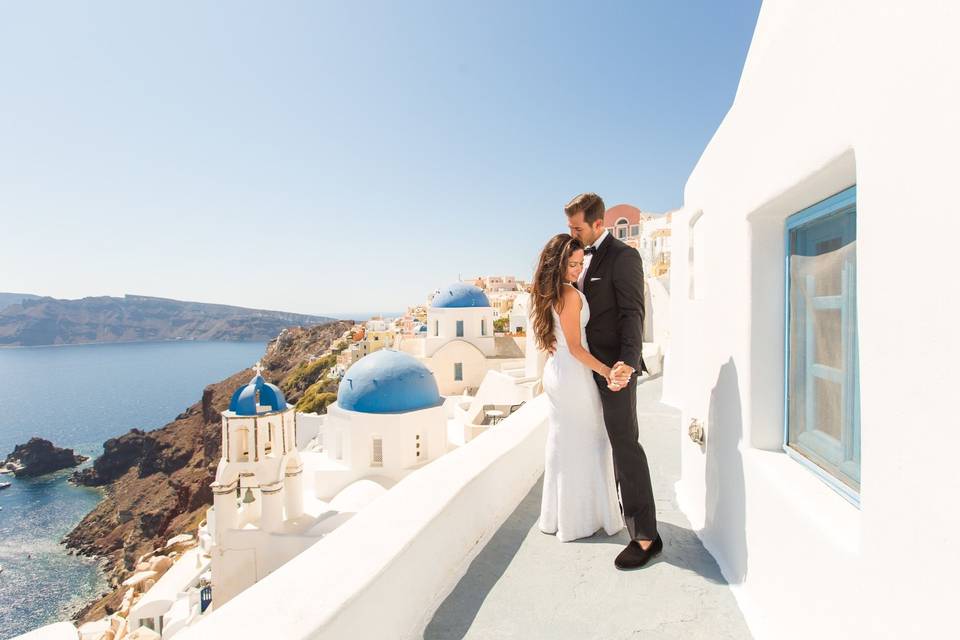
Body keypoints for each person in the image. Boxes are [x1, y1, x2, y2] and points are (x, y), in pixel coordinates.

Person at [564, 192, 661, 570]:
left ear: (598, 224)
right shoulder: (580, 259)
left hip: (615, 372)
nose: (571, 233)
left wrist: (625, 366)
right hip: (586, 369)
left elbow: (633, 315)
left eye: (577, 227)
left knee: (625, 445)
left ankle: (646, 536)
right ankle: (603, 512)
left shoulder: (624, 257)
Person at [533, 233, 624, 543]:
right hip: (572, 375)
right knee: (592, 441)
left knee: (563, 442)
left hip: (556, 373)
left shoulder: (545, 293)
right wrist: (607, 371)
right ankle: (583, 519)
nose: (577, 269)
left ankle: (558, 517)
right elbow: (575, 347)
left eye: (580, 263)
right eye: (571, 264)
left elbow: (555, 343)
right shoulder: (569, 296)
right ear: (557, 264)